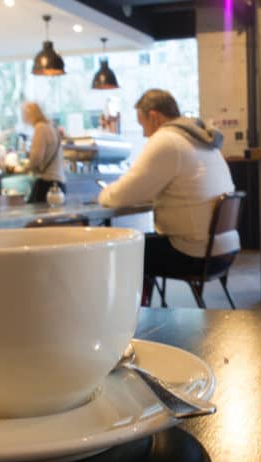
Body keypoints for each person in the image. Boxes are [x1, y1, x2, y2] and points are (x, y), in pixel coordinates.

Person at [98, 89, 236, 305]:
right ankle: (145, 310)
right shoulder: (203, 140)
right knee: (144, 244)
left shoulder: (167, 141)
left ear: (153, 116)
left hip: (193, 253)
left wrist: (103, 193)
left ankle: (137, 316)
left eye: (142, 124)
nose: (144, 134)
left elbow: (120, 196)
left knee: (124, 249)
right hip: (224, 250)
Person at [22, 101, 65, 204]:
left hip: (47, 184)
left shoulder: (40, 128)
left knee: (38, 216)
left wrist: (25, 168)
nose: (23, 117)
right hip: (59, 183)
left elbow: (36, 158)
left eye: (23, 114)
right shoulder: (51, 127)